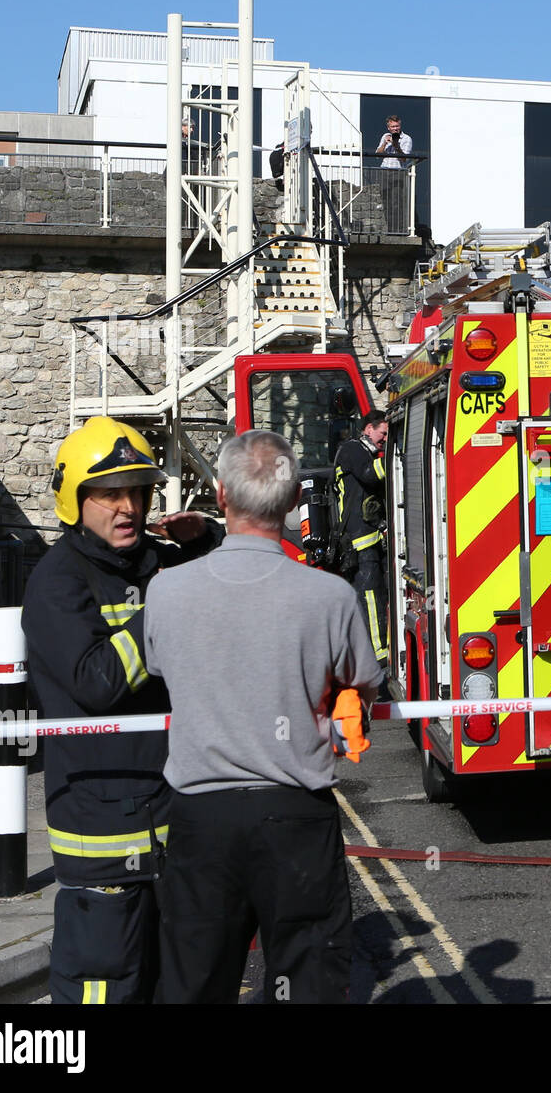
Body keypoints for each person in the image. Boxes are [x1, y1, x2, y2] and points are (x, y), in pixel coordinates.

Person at [144, 430, 381, 1004]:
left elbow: (158, 666)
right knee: (309, 984)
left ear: (220, 495)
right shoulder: (330, 598)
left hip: (201, 818)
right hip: (295, 815)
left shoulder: (166, 591)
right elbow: (364, 685)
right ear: (296, 497)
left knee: (194, 985)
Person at [21, 416, 220, 1004]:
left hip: (172, 819)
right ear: (75, 500)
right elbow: (97, 683)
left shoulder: (156, 561)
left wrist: (205, 542)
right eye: (109, 494)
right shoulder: (57, 581)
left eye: (137, 491)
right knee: (103, 984)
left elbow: (233, 588)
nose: (127, 506)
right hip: (102, 831)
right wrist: (162, 605)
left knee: (176, 981)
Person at [333, 408, 390, 663]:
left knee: (376, 593)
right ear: (369, 428)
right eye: (383, 434)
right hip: (359, 539)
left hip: (370, 536)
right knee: (370, 595)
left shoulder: (366, 451)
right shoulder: (353, 450)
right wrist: (394, 457)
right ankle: (378, 656)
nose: (385, 439)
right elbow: (370, 474)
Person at [375, 115, 412, 233]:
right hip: (385, 171)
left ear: (400, 125)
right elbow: (378, 154)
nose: (395, 128)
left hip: (398, 172)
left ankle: (396, 229)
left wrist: (395, 144)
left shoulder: (406, 139)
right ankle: (386, 227)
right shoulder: (385, 136)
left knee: (396, 201)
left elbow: (404, 159)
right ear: (388, 127)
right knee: (384, 200)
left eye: (397, 126)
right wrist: (385, 144)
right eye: (392, 126)